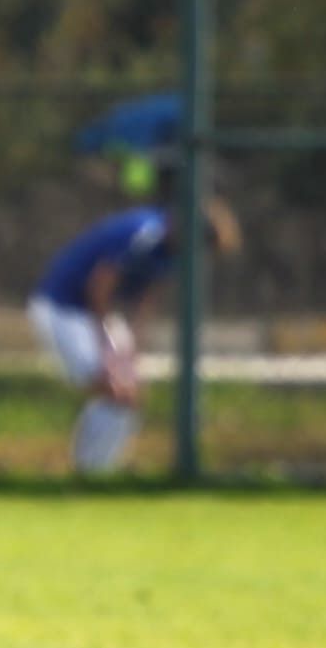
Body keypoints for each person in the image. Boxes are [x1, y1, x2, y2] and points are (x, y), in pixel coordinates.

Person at [26, 191, 240, 476]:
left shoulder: (173, 253)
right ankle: (87, 470)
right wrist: (107, 347)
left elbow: (146, 301)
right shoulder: (145, 233)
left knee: (131, 392)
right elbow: (99, 288)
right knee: (111, 388)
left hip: (98, 315)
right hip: (65, 309)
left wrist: (131, 354)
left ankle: (99, 470)